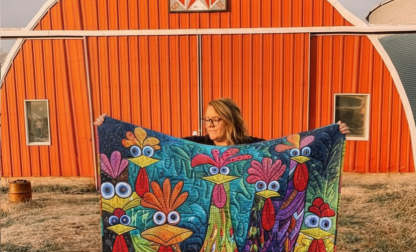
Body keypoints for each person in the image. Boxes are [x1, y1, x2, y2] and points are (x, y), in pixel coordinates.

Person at [94, 97, 350, 145]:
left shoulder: (252, 147)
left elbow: (289, 149)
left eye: (215, 119)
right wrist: (113, 130)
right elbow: (157, 143)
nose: (210, 124)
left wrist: (332, 134)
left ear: (229, 121)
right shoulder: (195, 145)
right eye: (206, 119)